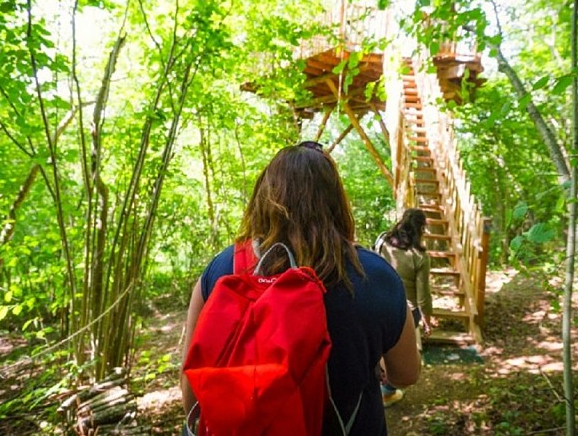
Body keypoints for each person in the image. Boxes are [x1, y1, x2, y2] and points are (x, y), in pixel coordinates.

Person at [180, 141, 421, 435]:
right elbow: (406, 374)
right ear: (336, 202)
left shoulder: (221, 271)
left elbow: (192, 393)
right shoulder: (375, 277)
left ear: (263, 198)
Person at [375, 208, 433, 407]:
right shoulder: (420, 256)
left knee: (380, 351)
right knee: (407, 360)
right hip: (405, 310)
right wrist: (427, 318)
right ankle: (386, 391)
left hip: (379, 302)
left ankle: (377, 386)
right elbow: (423, 294)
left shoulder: (382, 241)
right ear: (421, 228)